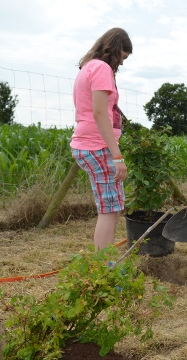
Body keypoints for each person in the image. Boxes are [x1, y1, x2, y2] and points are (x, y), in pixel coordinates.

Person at [70, 27, 132, 250]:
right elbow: (99, 113)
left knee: (111, 207)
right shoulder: (101, 68)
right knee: (109, 209)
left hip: (90, 144)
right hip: (97, 146)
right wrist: (117, 155)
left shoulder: (88, 67)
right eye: (123, 57)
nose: (122, 63)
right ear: (115, 49)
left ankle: (103, 265)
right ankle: (104, 269)